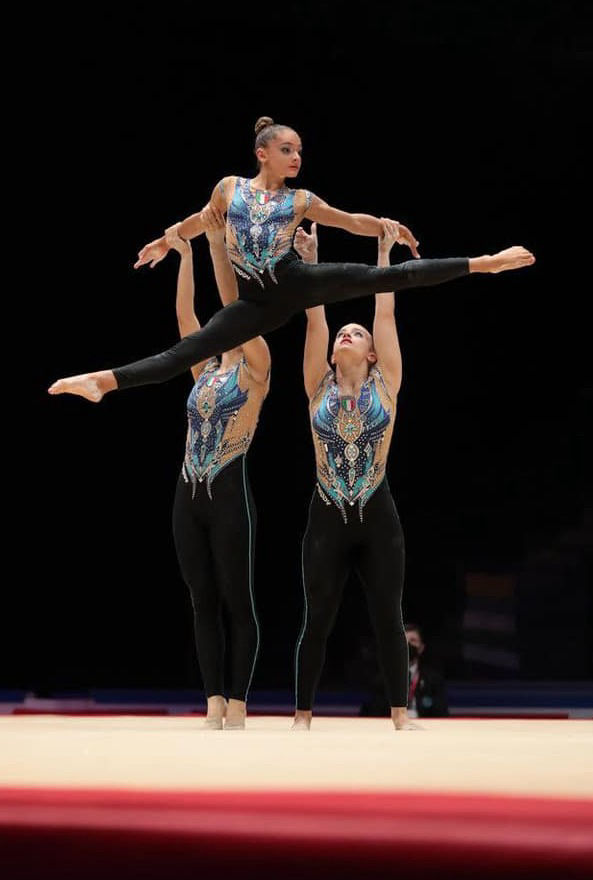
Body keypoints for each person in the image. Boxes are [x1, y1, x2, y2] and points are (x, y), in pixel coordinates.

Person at [48, 116, 534, 402]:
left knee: (388, 276)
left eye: (299, 150)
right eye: (287, 149)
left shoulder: (299, 200)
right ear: (263, 153)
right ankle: (102, 381)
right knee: (187, 352)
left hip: (294, 282)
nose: (296, 157)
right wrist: (166, 239)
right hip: (257, 304)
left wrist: (384, 223)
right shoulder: (228, 189)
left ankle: (485, 262)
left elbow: (348, 220)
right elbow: (199, 220)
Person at [292, 221, 416, 730]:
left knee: (388, 615)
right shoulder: (316, 384)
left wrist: (382, 251)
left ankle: (400, 716)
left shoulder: (387, 382)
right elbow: (314, 317)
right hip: (325, 515)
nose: (348, 332)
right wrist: (314, 261)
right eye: (344, 332)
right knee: (317, 619)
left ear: (370, 353)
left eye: (357, 333)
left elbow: (383, 309)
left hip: (377, 515)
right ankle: (302, 717)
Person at [166, 216, 270, 730]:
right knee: (201, 598)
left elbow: (239, 311)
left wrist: (217, 248)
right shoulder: (203, 367)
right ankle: (211, 701)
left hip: (230, 489)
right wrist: (185, 254)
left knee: (236, 598)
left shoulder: (256, 364)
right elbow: (185, 314)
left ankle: (238, 701)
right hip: (188, 492)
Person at [405, 624, 449, 718]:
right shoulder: (385, 680)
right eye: (404, 641)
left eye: (413, 640)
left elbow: (442, 714)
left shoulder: (433, 679)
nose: (408, 645)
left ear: (421, 648)